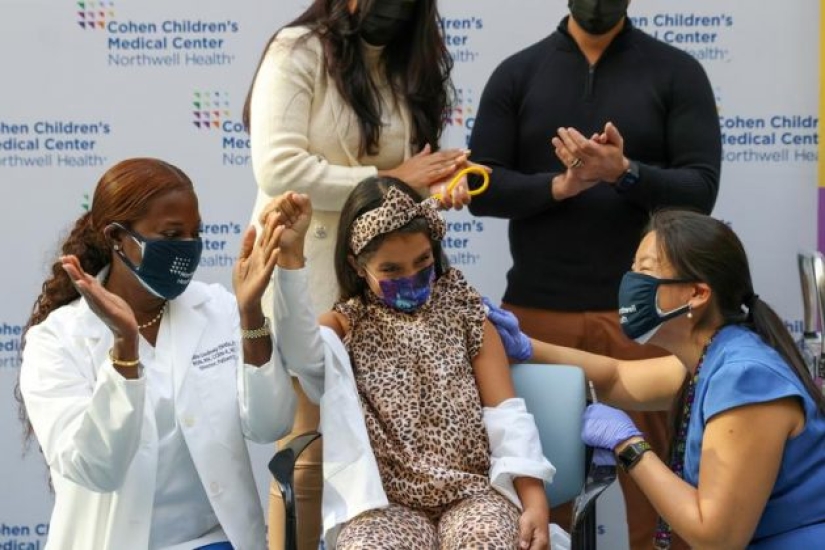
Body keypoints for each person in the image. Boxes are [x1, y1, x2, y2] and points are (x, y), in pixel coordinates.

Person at [467, 0, 721, 546]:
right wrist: (557, 187)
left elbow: (701, 190)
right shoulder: (519, 72)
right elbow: (479, 189)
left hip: (647, 316)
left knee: (660, 495)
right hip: (537, 317)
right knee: (535, 497)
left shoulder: (676, 71)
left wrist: (624, 173)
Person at [242, 1, 477, 546]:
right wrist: (395, 177)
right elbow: (279, 170)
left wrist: (437, 187)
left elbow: (403, 189)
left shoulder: (407, 60)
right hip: (305, 273)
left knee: (386, 461)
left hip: (384, 290)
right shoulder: (296, 51)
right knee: (306, 455)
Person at [495, 209, 825, 548]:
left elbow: (718, 538)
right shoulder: (713, 357)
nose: (631, 282)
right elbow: (617, 378)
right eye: (633, 268)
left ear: (697, 293)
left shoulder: (745, 377)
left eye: (646, 271)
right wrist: (523, 345)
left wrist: (629, 446)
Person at [15, 158, 297, 550]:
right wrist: (125, 348)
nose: (187, 247)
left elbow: (271, 425)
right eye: (171, 234)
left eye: (194, 233)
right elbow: (95, 469)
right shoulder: (57, 340)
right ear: (116, 237)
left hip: (215, 541)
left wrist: (250, 313)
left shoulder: (214, 308)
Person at [265, 177, 555, 549]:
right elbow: (297, 349)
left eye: (422, 262)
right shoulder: (344, 325)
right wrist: (290, 258)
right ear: (357, 266)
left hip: (473, 496)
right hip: (385, 508)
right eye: (391, 270)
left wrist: (534, 501)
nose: (410, 278)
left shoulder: (467, 314)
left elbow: (506, 416)